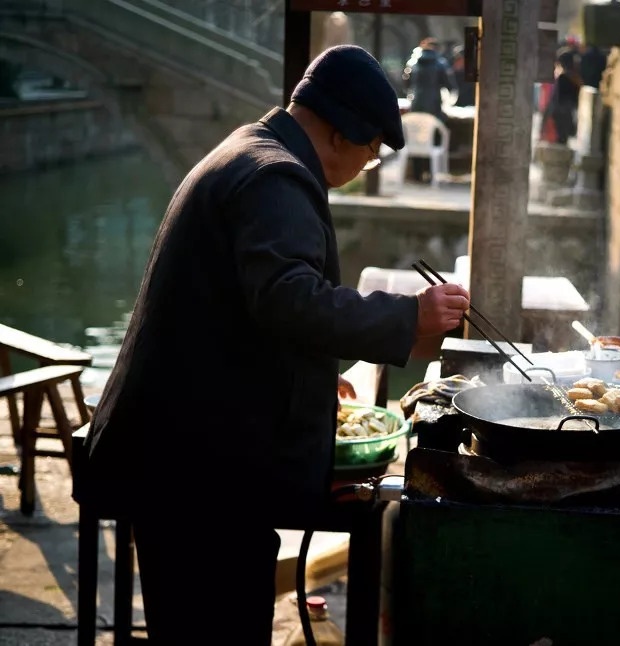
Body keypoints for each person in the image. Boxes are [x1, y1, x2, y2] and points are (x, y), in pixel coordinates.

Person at [82, 45, 470, 645]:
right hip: (199, 473)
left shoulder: (253, 148)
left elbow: (245, 309)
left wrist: (313, 378)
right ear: (341, 134)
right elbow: (289, 298)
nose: (365, 167)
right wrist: (409, 315)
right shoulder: (277, 177)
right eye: (369, 154)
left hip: (186, 457)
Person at [403, 37, 457, 183]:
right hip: (433, 107)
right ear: (436, 49)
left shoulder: (412, 63)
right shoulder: (441, 64)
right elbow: (451, 87)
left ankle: (416, 173)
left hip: (415, 107)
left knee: (415, 138)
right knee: (433, 138)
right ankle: (431, 172)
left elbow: (406, 85)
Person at [540, 47, 582, 145]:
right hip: (570, 111)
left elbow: (556, 98)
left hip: (560, 112)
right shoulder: (576, 78)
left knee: (559, 140)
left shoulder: (563, 77)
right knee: (564, 140)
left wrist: (547, 116)